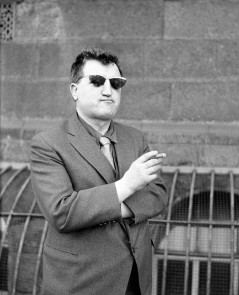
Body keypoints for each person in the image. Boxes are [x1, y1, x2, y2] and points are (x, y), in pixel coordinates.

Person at [30, 47, 168, 295]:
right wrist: (127, 186)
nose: (108, 90)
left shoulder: (135, 138)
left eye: (116, 83)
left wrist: (112, 206)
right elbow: (63, 212)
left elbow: (157, 193)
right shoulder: (48, 144)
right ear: (74, 90)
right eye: (96, 82)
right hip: (80, 282)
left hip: (135, 279)